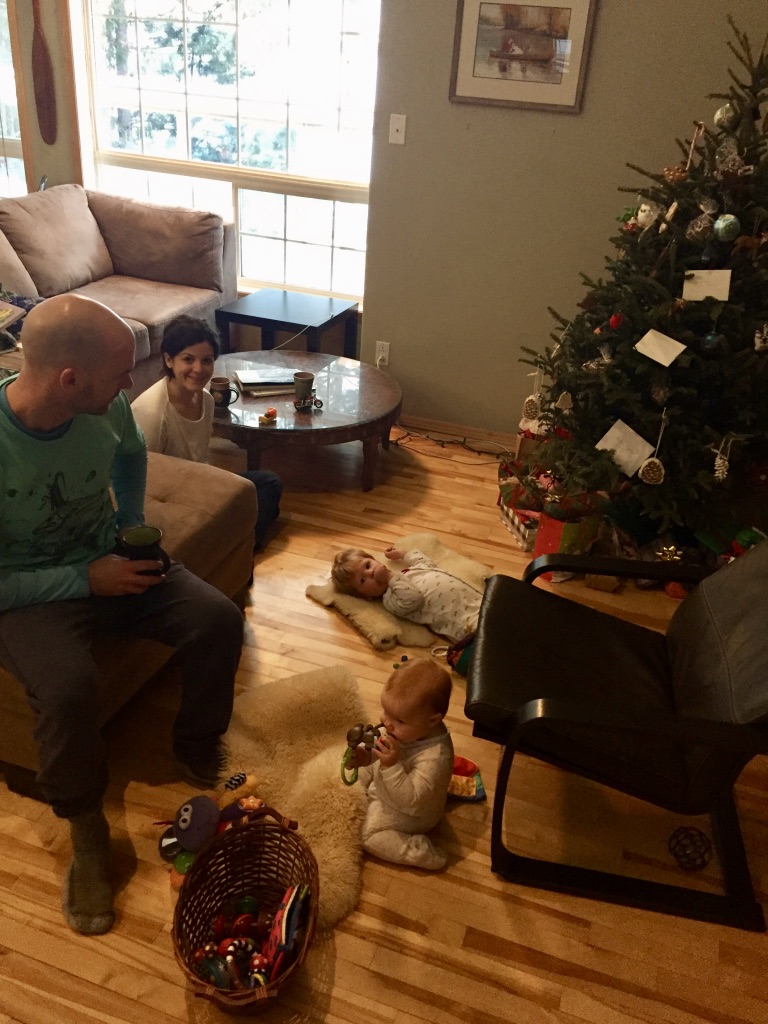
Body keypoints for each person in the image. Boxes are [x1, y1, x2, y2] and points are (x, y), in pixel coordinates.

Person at [0, 295, 244, 937]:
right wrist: (85, 579)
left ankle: (196, 748)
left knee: (218, 620)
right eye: (119, 375)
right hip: (30, 592)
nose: (129, 386)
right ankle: (87, 835)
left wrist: (130, 523)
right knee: (67, 690)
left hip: (108, 557)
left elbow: (131, 454)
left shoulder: (103, 408)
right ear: (68, 380)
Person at [130, 315, 283, 551]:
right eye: (188, 359)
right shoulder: (151, 412)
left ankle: (239, 540)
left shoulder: (207, 399)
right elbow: (146, 485)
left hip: (200, 482)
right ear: (169, 360)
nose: (198, 369)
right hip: (172, 498)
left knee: (268, 483)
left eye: (207, 360)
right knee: (256, 507)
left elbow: (201, 459)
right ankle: (242, 542)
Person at [347, 659, 454, 870]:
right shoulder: (408, 728)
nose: (386, 723)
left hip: (411, 812)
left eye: (399, 720)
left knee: (367, 833)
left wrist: (390, 766)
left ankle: (418, 852)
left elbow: (411, 801)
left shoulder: (436, 756)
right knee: (359, 770)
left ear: (432, 721)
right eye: (385, 711)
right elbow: (377, 753)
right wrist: (363, 757)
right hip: (389, 782)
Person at [331, 546, 483, 642]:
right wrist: (389, 576)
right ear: (366, 596)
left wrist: (403, 554)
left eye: (368, 565)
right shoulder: (390, 600)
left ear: (375, 560)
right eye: (362, 580)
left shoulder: (407, 572)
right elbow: (414, 598)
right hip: (466, 623)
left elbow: (427, 564)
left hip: (478, 601)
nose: (370, 572)